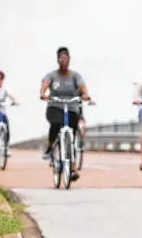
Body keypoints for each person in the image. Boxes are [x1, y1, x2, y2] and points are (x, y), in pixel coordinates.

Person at [39, 46, 94, 181]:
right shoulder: (52, 75)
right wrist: (43, 93)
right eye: (61, 59)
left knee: (72, 137)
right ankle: (50, 146)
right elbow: (45, 83)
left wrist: (86, 95)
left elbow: (82, 86)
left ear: (69, 60)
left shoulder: (75, 76)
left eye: (66, 58)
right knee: (56, 124)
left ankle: (73, 168)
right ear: (58, 60)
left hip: (71, 108)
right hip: (55, 106)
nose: (64, 61)